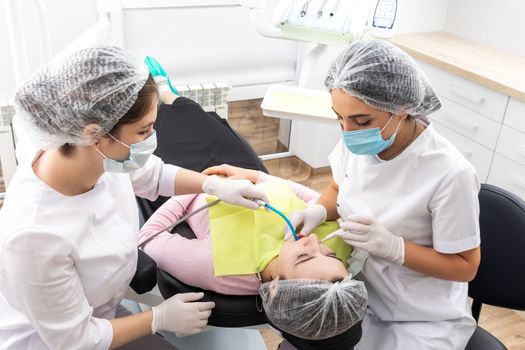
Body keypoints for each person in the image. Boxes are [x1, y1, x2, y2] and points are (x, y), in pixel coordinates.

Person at [0, 46, 269, 350]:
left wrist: (212, 186)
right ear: (94, 134)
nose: (152, 139)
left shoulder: (93, 157)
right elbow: (75, 340)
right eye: (144, 131)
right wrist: (158, 318)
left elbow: (153, 175)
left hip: (103, 312)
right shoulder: (34, 237)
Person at [285, 39, 481, 349]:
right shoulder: (359, 140)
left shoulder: (450, 173)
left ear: (402, 109)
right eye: (340, 118)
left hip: (422, 317)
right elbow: (340, 186)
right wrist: (318, 211)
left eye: (362, 120)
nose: (348, 132)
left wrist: (396, 248)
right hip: (360, 298)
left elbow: (465, 265)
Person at [138, 163, 367, 343]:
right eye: (330, 255)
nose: (314, 241)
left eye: (303, 257)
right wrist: (254, 175)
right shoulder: (337, 248)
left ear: (275, 287)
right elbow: (314, 199)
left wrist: (204, 183)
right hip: (241, 173)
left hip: (190, 177)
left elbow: (148, 237)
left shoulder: (218, 265)